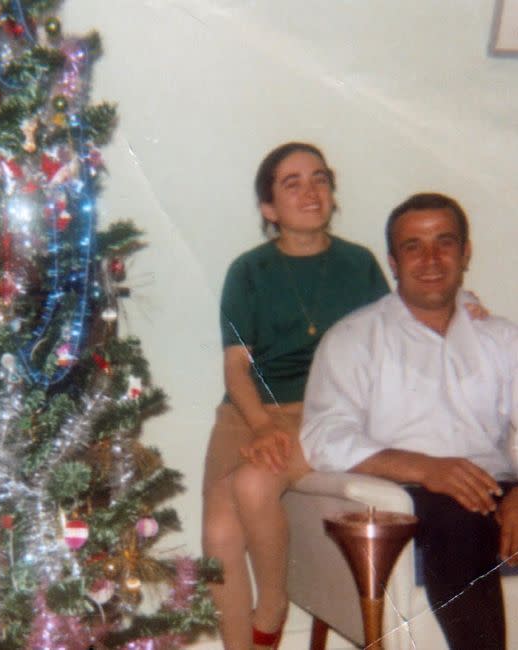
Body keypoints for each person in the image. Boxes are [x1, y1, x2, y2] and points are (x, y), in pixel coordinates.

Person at [301, 192, 518, 650]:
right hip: (412, 496)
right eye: (413, 247)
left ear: (466, 252)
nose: (432, 259)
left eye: (445, 242)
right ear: (393, 261)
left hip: (498, 485)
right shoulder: (355, 339)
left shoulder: (501, 339)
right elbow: (324, 436)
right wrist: (425, 469)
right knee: (459, 517)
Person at [202, 142, 389, 649]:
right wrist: (261, 425)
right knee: (219, 540)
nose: (311, 191)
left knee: (255, 486)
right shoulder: (249, 270)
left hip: (320, 413)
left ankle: (274, 602)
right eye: (293, 182)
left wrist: (467, 301)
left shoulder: (360, 264)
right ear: (269, 208)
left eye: (320, 179)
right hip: (247, 412)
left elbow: (398, 328)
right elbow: (235, 367)